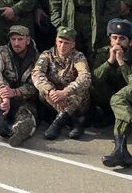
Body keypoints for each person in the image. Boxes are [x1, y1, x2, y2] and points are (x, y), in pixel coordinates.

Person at [32, 27, 92, 140]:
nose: (62, 46)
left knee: (78, 93)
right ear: (56, 41)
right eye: (60, 42)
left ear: (73, 44)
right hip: (55, 98)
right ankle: (75, 122)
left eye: (66, 43)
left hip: (76, 101)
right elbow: (37, 73)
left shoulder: (78, 57)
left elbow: (85, 77)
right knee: (42, 92)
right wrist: (50, 91)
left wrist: (65, 92)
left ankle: (57, 124)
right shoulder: (47, 55)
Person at [0, 26, 39, 147]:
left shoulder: (37, 58)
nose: (16, 43)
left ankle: (19, 131)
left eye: (20, 39)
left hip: (24, 97)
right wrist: (4, 92)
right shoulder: (1, 51)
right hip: (5, 95)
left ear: (27, 40)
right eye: (13, 39)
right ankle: (1, 123)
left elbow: (35, 85)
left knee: (26, 115)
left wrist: (15, 92)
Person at [97, 19, 132, 167]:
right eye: (114, 38)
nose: (117, 42)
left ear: (130, 42)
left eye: (122, 38)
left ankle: (120, 151)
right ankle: (120, 152)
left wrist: (122, 63)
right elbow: (95, 80)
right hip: (115, 100)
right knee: (118, 101)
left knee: (118, 99)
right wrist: (110, 62)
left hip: (126, 96)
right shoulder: (104, 52)